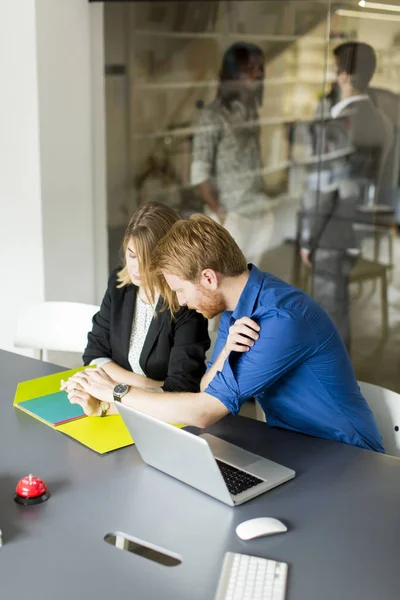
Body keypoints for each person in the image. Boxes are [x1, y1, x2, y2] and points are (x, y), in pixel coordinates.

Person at [64, 215, 384, 453]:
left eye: (180, 290)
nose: (179, 302)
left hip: (349, 457)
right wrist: (227, 352)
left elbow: (204, 412)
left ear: (208, 278)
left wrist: (116, 392)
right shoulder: (236, 309)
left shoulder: (279, 320)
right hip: (295, 448)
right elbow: (206, 386)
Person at [63, 202, 210, 412]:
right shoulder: (119, 285)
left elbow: (181, 390)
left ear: (168, 257)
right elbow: (94, 354)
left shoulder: (186, 303)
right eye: (132, 255)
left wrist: (114, 389)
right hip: (120, 407)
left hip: (166, 418)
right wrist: (143, 386)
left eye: (148, 258)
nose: (137, 267)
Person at [299, 42, 393, 350]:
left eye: (333, 68)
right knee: (338, 315)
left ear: (343, 75)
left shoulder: (339, 124)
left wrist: (307, 240)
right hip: (358, 231)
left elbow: (322, 190)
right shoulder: (381, 121)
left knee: (327, 318)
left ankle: (331, 387)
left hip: (329, 232)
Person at [190, 41, 274, 266]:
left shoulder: (250, 111)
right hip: (232, 216)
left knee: (252, 284)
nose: (256, 75)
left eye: (259, 68)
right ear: (233, 73)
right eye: (250, 68)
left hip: (258, 211)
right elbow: (199, 172)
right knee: (227, 286)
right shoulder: (213, 116)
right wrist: (221, 214)